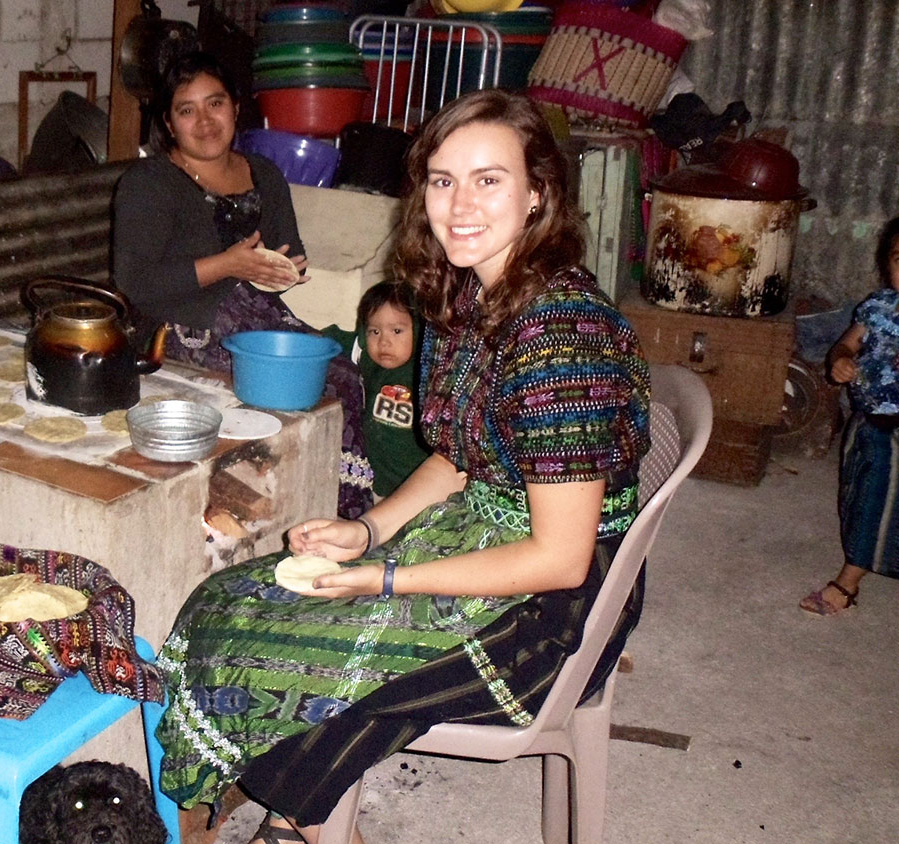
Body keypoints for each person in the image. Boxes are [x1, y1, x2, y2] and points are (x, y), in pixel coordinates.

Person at [153, 89, 650, 844]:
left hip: (546, 612)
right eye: (443, 180)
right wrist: (369, 529)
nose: (458, 204)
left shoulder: (562, 338)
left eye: (489, 179)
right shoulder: (471, 297)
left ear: (538, 194)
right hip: (480, 534)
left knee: (276, 656)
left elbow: (559, 557)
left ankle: (295, 818)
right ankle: (295, 817)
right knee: (225, 603)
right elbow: (459, 457)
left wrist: (384, 577)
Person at [112, 51, 373, 519]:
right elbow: (135, 283)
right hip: (178, 329)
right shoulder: (148, 182)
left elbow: (284, 248)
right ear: (169, 124)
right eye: (186, 110)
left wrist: (283, 269)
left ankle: (337, 512)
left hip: (254, 317)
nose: (204, 121)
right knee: (320, 387)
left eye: (215, 104)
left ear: (235, 107)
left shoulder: (265, 174)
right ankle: (311, 512)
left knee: (346, 378)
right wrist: (229, 265)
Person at [798, 215, 899, 616]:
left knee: (879, 501)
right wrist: (840, 361)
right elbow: (845, 346)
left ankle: (847, 583)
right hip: (866, 420)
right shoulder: (878, 307)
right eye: (898, 258)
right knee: (857, 496)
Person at [319, 283, 430, 499]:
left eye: (397, 331)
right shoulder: (368, 358)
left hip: (417, 487)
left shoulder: (426, 372)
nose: (384, 342)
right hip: (375, 482)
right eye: (374, 331)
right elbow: (337, 339)